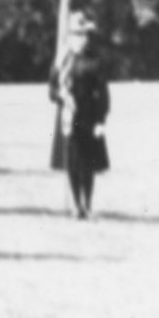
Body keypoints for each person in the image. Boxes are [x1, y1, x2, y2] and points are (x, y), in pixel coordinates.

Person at [49, 12, 110, 219]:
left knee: (88, 165)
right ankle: (76, 205)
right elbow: (51, 91)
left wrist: (101, 121)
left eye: (83, 34)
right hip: (68, 118)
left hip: (89, 117)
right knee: (73, 164)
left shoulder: (95, 60)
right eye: (76, 34)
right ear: (69, 36)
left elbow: (103, 93)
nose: (81, 38)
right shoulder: (61, 60)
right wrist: (61, 96)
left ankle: (87, 204)